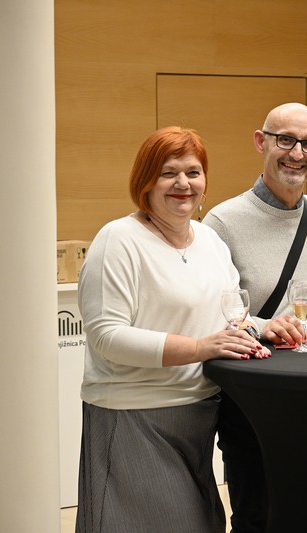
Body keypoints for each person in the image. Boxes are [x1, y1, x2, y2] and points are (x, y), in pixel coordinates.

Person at [75, 126, 270, 533]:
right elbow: (107, 336)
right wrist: (199, 348)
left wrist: (267, 327)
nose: (184, 183)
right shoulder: (118, 240)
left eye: (193, 172)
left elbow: (228, 317)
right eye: (168, 173)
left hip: (201, 414)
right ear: (145, 182)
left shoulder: (210, 241)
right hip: (134, 417)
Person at [203, 102, 307, 532]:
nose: (297, 154)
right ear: (261, 142)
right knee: (259, 516)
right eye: (285, 140)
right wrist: (261, 326)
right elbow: (214, 313)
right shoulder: (222, 222)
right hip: (255, 398)